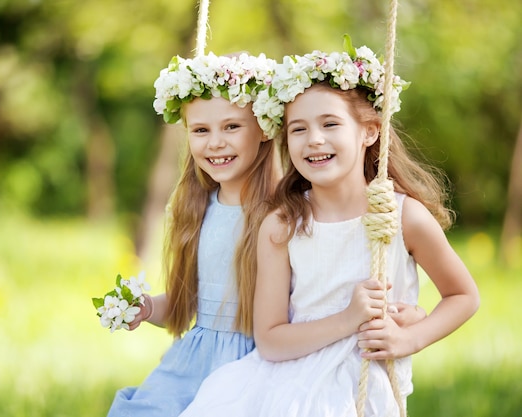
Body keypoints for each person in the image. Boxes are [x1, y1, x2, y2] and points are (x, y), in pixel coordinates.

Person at [179, 44, 480, 417]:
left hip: (363, 387)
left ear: (370, 131)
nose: (314, 139)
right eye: (298, 129)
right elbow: (271, 340)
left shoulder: (401, 217)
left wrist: (409, 338)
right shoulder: (283, 224)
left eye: (330, 124)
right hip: (286, 384)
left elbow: (463, 295)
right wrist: (347, 319)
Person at [105, 51, 282, 417]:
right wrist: (148, 307)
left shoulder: (284, 213)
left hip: (255, 363)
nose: (215, 143)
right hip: (193, 363)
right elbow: (189, 305)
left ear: (264, 127)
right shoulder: (196, 209)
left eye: (231, 127)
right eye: (201, 130)